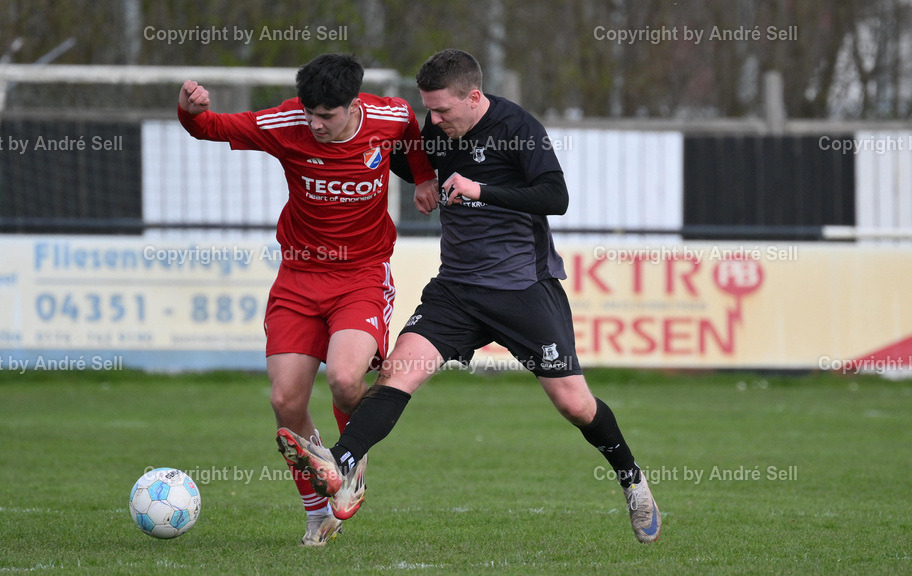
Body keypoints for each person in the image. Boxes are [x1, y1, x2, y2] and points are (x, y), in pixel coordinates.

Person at [276, 49, 661, 544]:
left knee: (574, 404)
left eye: (441, 112)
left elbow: (555, 197)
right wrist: (416, 179)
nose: (432, 122)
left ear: (473, 96)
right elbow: (403, 159)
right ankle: (340, 464)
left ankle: (631, 479)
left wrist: (482, 191)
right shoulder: (436, 132)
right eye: (428, 111)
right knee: (397, 374)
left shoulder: (518, 128)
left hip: (523, 288)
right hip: (456, 288)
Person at [178, 53, 439, 546]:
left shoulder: (390, 116)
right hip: (299, 277)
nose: (315, 124)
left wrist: (423, 176)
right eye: (309, 113)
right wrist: (190, 112)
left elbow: (409, 132)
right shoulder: (287, 123)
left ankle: (350, 459)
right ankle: (318, 509)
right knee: (285, 400)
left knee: (344, 379)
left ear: (352, 104)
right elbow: (211, 128)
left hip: (361, 275)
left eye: (326, 115)